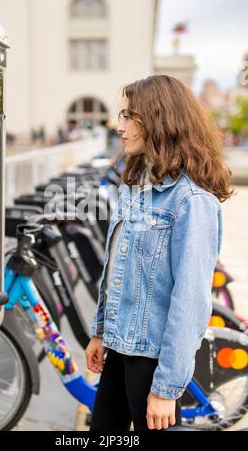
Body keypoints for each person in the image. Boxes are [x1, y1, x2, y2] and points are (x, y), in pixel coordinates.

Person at [85, 75, 234, 432]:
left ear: (158, 120)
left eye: (128, 116)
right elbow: (116, 270)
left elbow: (190, 303)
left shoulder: (192, 202)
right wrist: (100, 332)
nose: (119, 127)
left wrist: (166, 389)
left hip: (152, 361)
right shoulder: (138, 186)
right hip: (119, 349)